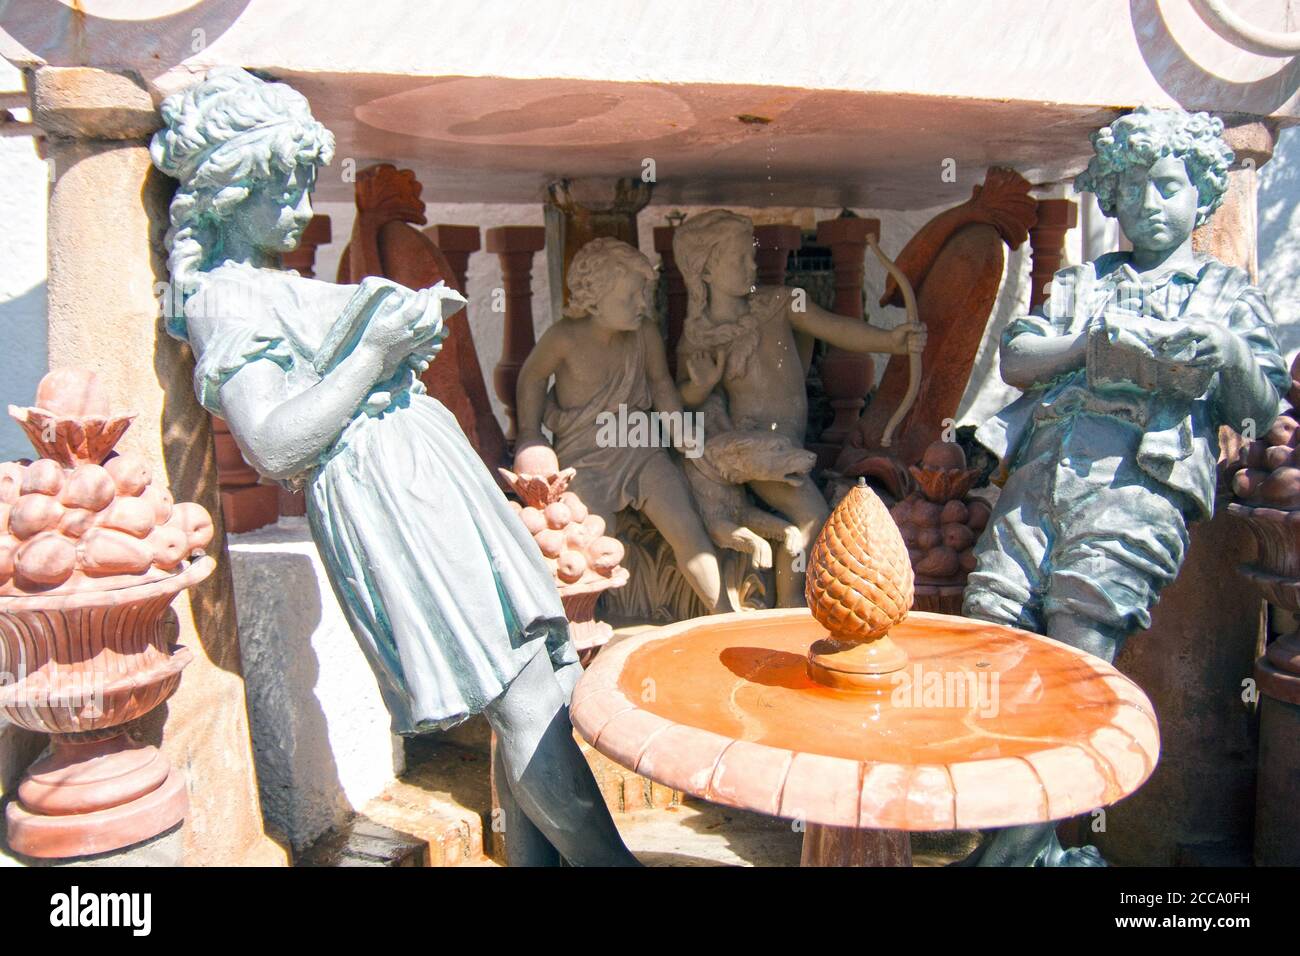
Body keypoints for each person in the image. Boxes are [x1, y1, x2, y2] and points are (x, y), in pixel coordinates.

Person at [151, 67, 637, 866]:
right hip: (387, 495)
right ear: (233, 191)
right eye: (286, 189)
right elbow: (273, 445)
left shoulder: (267, 283)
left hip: (427, 473)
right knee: (521, 701)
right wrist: (375, 349)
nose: (306, 209)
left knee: (538, 690)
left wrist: (399, 341)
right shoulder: (221, 299)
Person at [962, 106, 1288, 866]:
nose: (1149, 203)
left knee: (1080, 647)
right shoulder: (1083, 282)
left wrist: (1230, 352)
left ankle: (1016, 850)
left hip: (1137, 483)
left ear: (1202, 196)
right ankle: (1019, 842)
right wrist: (1089, 345)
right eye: (1132, 188)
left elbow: (1263, 404)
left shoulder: (1223, 293)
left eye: (1167, 186)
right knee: (995, 629)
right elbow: (1019, 358)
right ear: (1110, 196)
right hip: (1042, 472)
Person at [672, 210, 925, 605]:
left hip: (790, 445)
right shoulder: (699, 340)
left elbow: (835, 327)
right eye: (738, 257)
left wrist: (891, 341)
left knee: (807, 526)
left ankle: (792, 608)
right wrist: (698, 386)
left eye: (751, 255)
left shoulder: (781, 302)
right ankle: (794, 612)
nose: (751, 264)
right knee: (813, 520)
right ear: (704, 270)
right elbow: (682, 402)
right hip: (760, 456)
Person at [515, 237, 734, 613]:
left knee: (687, 528)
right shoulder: (564, 337)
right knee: (588, 545)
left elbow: (661, 384)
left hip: (640, 447)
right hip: (585, 459)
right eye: (631, 296)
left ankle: (723, 613)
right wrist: (530, 434)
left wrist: (679, 427)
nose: (642, 305)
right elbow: (531, 379)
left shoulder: (644, 332)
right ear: (595, 297)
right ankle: (588, 631)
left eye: (644, 294)